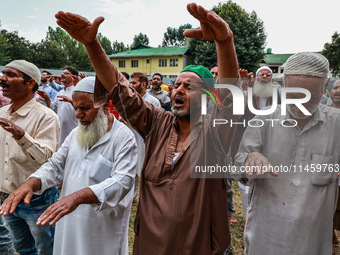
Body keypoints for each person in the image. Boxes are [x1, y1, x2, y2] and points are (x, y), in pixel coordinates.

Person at [53, 3, 240, 254]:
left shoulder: (217, 131)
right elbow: (119, 88)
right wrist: (92, 45)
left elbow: (229, 97)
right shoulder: (157, 122)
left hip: (198, 245)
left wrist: (224, 40)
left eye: (189, 86)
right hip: (150, 243)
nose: (179, 89)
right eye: (177, 84)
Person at [0, 77, 137, 255]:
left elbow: (122, 181)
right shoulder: (76, 133)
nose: (78, 115)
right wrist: (30, 183)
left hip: (102, 227)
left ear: (104, 105)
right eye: (75, 108)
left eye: (85, 108)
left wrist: (76, 198)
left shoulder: (124, 138)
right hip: (70, 219)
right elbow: (55, 165)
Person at [234, 52, 340, 254]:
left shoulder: (337, 123)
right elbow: (239, 166)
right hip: (265, 236)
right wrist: (250, 158)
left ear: (325, 85)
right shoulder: (264, 119)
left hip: (312, 238)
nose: (300, 104)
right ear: (283, 83)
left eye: (310, 97)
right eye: (294, 95)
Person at [0, 60, 60, 255]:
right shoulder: (2, 113)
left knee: (48, 249)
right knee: (23, 248)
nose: (3, 78)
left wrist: (21, 136)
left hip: (37, 200)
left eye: (10, 74)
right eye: (3, 73)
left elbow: (46, 160)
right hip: (9, 198)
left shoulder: (46, 117)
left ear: (30, 83)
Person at [129, 72, 160, 202]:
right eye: (130, 82)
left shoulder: (153, 102)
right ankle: (133, 195)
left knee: (145, 168)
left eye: (133, 83)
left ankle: (148, 195)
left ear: (143, 84)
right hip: (131, 138)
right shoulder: (129, 100)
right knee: (131, 166)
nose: (130, 85)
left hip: (146, 140)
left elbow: (157, 122)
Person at [38, 66, 79, 146]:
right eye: (62, 73)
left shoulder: (77, 92)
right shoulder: (60, 93)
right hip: (60, 131)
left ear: (73, 77)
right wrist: (47, 100)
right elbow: (54, 109)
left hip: (74, 131)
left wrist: (71, 102)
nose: (62, 74)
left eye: (66, 73)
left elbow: (83, 109)